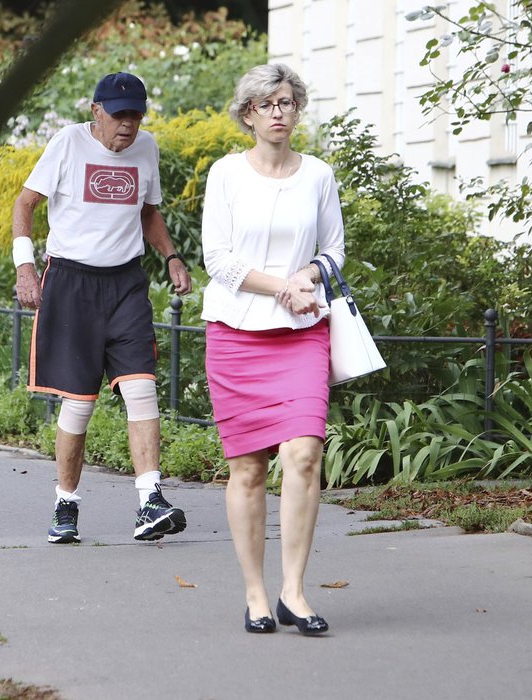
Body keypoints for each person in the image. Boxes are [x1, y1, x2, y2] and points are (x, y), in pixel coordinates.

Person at [12, 72, 192, 545]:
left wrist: (171, 255)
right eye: (119, 115)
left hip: (125, 283)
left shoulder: (146, 148)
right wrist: (25, 267)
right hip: (72, 282)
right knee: (79, 404)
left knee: (142, 389)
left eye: (136, 115)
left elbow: (148, 212)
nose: (128, 126)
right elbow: (25, 203)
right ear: (97, 112)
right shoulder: (68, 144)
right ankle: (65, 503)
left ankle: (150, 500)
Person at [201, 63, 345, 635]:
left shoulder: (318, 175)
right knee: (248, 469)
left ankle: (295, 592)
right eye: (267, 104)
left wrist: (306, 275)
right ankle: (257, 595)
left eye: (287, 102)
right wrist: (282, 285)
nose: (279, 112)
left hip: (303, 330)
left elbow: (334, 252)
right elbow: (219, 260)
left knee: (305, 454)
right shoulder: (226, 175)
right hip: (237, 333)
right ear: (248, 115)